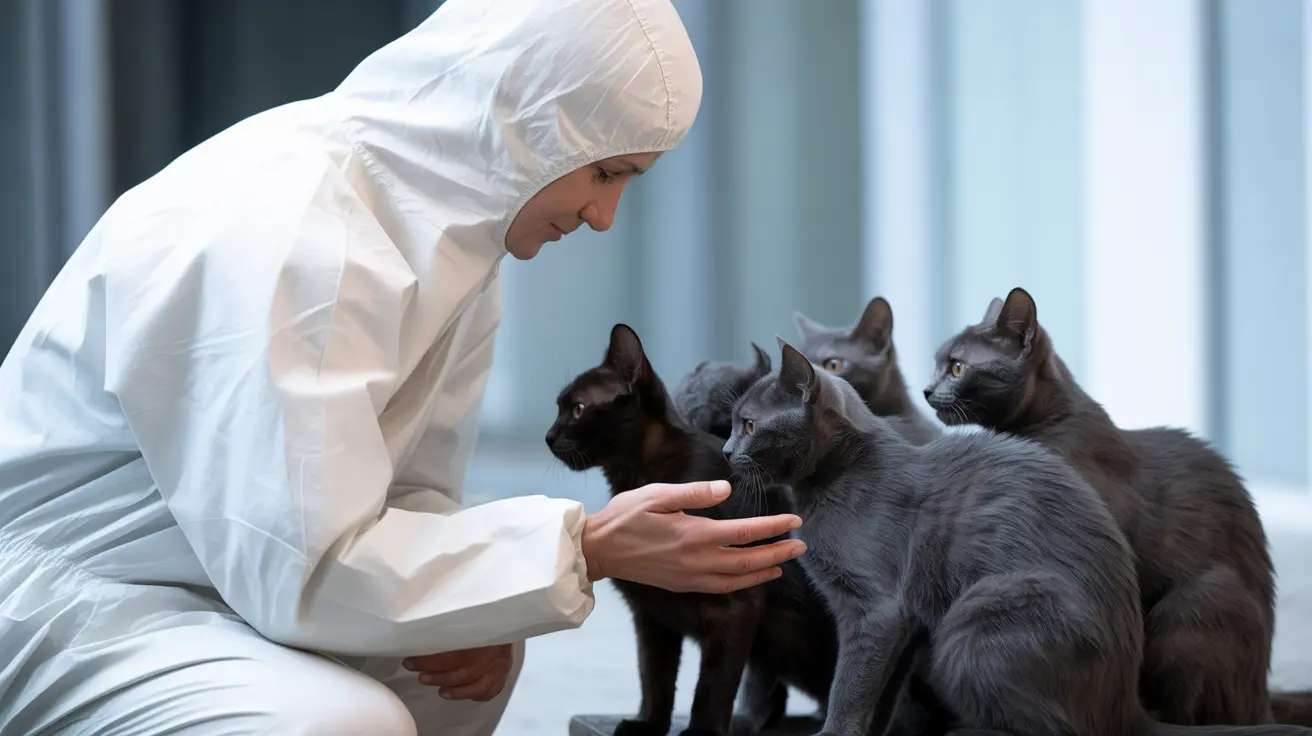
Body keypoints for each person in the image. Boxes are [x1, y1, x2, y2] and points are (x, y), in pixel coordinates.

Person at [0, 0, 808, 734]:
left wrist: (492, 604)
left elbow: (405, 495)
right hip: (66, 603)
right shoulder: (289, 227)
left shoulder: (449, 243)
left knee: (470, 658)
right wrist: (583, 547)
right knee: (338, 724)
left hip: (207, 580)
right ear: (523, 120)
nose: (603, 218)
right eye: (606, 174)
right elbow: (303, 568)